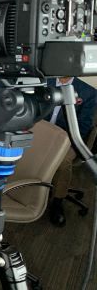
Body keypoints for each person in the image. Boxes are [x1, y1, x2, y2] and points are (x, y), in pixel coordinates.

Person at [46, 76, 96, 227]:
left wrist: (64, 140)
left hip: (68, 138)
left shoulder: (88, 92)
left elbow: (84, 125)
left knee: (63, 162)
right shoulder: (43, 82)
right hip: (40, 133)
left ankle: (57, 201)